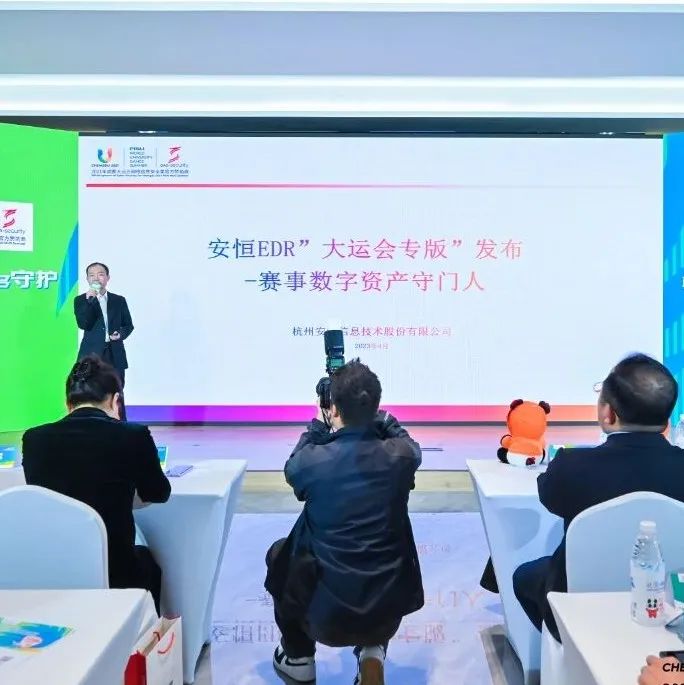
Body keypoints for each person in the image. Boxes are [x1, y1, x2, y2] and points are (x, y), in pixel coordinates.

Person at [265, 360, 424, 685]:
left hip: (324, 617)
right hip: (385, 611)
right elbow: (411, 447)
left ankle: (298, 657)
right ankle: (372, 652)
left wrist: (318, 424)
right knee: (381, 557)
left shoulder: (311, 462)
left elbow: (293, 468)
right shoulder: (401, 457)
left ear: (334, 408)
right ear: (376, 406)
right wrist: (382, 419)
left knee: (280, 553)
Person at [513, 353, 684, 642]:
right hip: (661, 601)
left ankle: (565, 653)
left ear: (608, 414)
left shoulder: (571, 466)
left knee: (524, 576)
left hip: (575, 602)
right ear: (667, 417)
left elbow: (549, 496)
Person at [22, 355, 170, 612]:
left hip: (54, 569)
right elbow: (158, 493)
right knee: (149, 564)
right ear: (115, 400)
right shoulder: (133, 435)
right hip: (118, 571)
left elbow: (42, 498)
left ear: (68, 403)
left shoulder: (34, 439)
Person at [74, 262, 133, 420]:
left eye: (100, 274)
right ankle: (91, 426)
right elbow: (84, 324)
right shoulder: (81, 300)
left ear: (107, 278)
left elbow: (128, 325)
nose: (96, 278)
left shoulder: (119, 300)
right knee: (89, 393)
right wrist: (90, 301)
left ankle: (120, 426)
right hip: (91, 355)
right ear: (87, 279)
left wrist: (120, 334)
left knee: (117, 392)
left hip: (114, 353)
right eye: (91, 275)